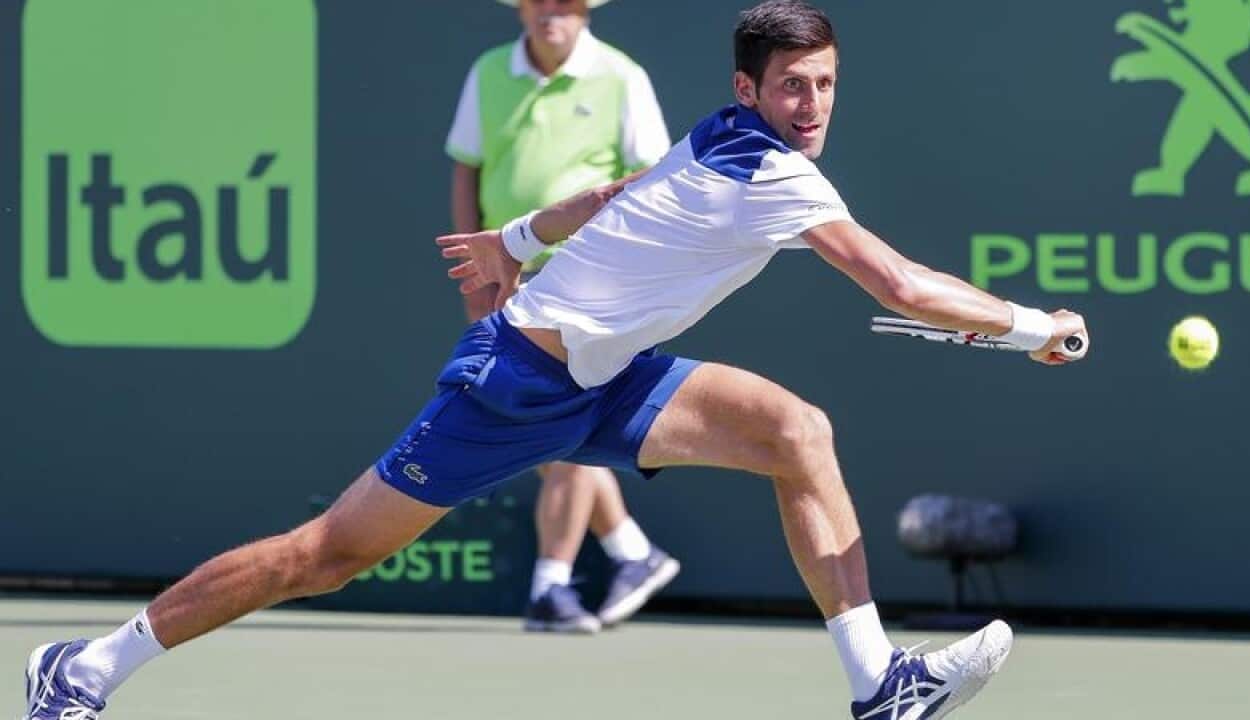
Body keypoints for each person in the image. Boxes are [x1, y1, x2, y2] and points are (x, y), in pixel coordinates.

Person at [21, 3, 1089, 719]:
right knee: (325, 555)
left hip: (609, 374)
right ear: (748, 88)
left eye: (823, 84)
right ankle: (82, 668)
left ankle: (877, 687)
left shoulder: (717, 133)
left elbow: (622, 196)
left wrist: (517, 240)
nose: (810, 105)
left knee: (793, 430)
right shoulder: (774, 172)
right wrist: (1034, 326)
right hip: (515, 384)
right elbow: (898, 286)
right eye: (791, 87)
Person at [447, 0, 679, 634]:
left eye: (567, 2)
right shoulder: (488, 72)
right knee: (546, 426)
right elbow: (466, 170)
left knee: (561, 419)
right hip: (509, 274)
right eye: (539, 0)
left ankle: (552, 585)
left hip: (591, 281)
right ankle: (632, 551)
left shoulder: (621, 76)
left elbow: (652, 178)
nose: (552, 11)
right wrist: (479, 264)